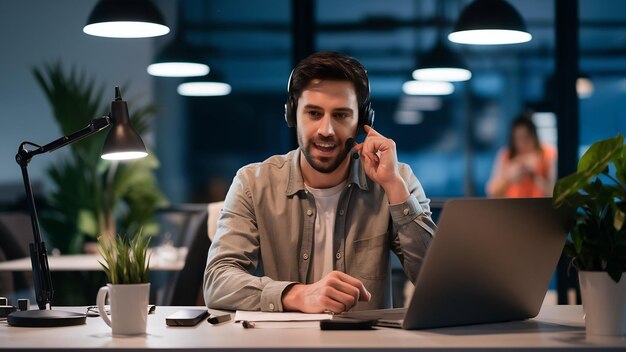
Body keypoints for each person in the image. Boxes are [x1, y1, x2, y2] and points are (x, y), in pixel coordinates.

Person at [203, 51, 436, 314]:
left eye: (341, 115)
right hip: (284, 343)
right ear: (292, 115)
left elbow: (439, 283)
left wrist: (394, 188)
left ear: (362, 122)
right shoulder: (253, 183)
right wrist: (298, 295)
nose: (326, 129)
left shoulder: (397, 179)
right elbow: (218, 282)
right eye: (314, 113)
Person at [486, 115, 557, 198]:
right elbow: (492, 192)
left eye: (526, 138)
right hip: (512, 207)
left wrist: (535, 177)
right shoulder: (506, 155)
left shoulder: (548, 154)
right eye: (517, 138)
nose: (522, 143)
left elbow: (556, 193)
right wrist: (508, 178)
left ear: (534, 136)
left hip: (540, 207)